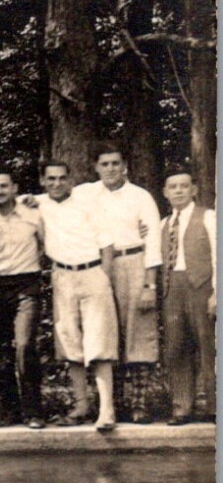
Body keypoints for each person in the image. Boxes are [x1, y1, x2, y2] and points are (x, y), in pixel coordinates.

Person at [73, 144, 163, 421]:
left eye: (115, 163)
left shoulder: (140, 196)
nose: (110, 169)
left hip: (133, 263)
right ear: (96, 167)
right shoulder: (85, 194)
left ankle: (138, 405)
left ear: (125, 166)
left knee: (138, 332)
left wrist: (149, 285)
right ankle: (112, 403)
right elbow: (53, 201)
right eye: (105, 164)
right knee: (104, 333)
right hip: (98, 267)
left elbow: (153, 241)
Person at [33, 161, 119, 431]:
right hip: (62, 276)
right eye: (51, 179)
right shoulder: (36, 204)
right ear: (43, 181)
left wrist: (104, 278)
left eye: (62, 178)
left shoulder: (88, 204)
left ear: (70, 180)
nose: (56, 183)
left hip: (92, 274)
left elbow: (107, 245)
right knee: (70, 343)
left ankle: (106, 411)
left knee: (99, 344)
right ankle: (82, 406)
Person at [0, 170, 47, 428]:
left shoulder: (32, 212)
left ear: (15, 187)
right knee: (0, 350)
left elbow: (45, 245)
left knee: (25, 345)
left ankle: (34, 411)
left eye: (4, 186)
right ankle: (10, 410)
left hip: (26, 283)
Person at [159, 170, 215, 425]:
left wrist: (216, 293)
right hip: (173, 288)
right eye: (173, 187)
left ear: (194, 190)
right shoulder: (164, 224)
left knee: (208, 345)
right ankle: (182, 407)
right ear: (165, 192)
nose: (179, 191)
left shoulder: (208, 217)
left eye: (184, 186)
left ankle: (215, 406)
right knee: (176, 347)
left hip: (201, 286)